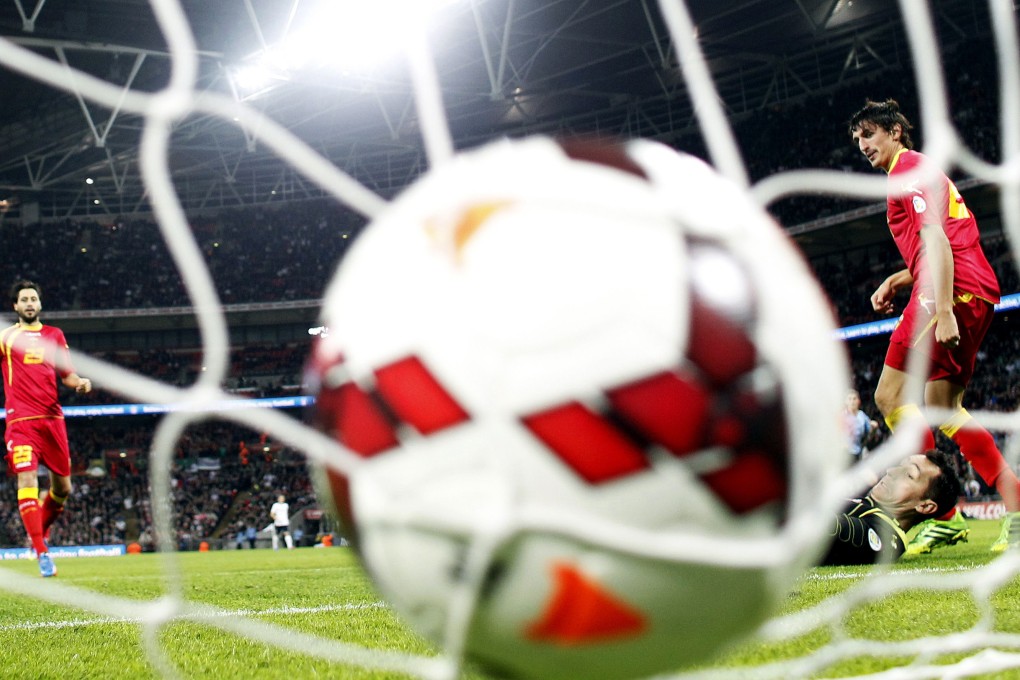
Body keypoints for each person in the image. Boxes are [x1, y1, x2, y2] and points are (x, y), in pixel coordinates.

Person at [848, 99, 1020, 554]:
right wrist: (898, 278)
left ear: (895, 132)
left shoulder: (909, 168)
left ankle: (943, 513)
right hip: (976, 288)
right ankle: (1014, 501)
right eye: (857, 140)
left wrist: (942, 308)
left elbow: (937, 239)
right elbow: (944, 236)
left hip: (951, 290)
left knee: (888, 395)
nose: (862, 145)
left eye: (869, 134)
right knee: (942, 405)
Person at [0, 280, 92, 577]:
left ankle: (38, 535)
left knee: (62, 489)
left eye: (33, 299)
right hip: (21, 421)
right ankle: (42, 553)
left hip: (53, 419)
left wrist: (80, 382)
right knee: (27, 479)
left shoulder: (54, 335)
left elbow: (67, 374)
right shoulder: (6, 338)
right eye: (23, 299)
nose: (29, 303)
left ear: (39, 304)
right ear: (15, 306)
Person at [822, 449, 962, 566]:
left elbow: (823, 527)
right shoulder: (864, 501)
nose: (891, 471)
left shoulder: (885, 536)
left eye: (909, 474)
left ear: (925, 506)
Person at [845, 388, 880, 463]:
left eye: (854, 399)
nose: (852, 402)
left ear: (858, 401)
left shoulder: (862, 416)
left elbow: (870, 433)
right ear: (846, 402)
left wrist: (874, 428)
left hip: (857, 452)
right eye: (850, 399)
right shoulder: (842, 416)